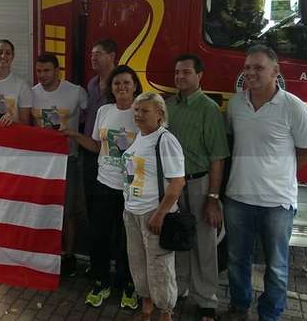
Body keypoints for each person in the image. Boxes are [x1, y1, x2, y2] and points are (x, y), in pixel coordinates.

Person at [224, 45, 307, 321]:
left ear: (276, 71)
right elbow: (230, 139)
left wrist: (279, 173)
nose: (251, 72)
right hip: (238, 198)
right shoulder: (236, 104)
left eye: (258, 67)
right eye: (247, 67)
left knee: (276, 267)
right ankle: (239, 307)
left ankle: (270, 315)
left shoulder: (294, 107)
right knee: (238, 261)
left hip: (278, 203)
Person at [65, 65, 141, 310]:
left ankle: (129, 285)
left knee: (128, 240)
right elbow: (99, 146)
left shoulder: (141, 112)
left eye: (126, 83)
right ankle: (101, 281)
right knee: (99, 237)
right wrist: (74, 135)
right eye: (117, 83)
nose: (121, 87)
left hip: (131, 189)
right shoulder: (104, 110)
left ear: (135, 86)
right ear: (111, 88)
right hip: (104, 184)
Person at [166, 55, 229, 321]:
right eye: (177, 72)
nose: (180, 76)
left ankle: (206, 299)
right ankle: (179, 288)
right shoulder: (167, 106)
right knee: (177, 237)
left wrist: (213, 198)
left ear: (199, 76)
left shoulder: (209, 109)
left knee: (204, 242)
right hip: (172, 184)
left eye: (187, 72)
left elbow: (217, 157)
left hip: (199, 183)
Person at [122, 92, 186, 321]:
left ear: (159, 114)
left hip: (153, 211)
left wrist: (160, 214)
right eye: (136, 110)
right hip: (132, 211)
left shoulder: (165, 139)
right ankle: (147, 307)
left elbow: (178, 181)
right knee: (138, 262)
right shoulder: (140, 136)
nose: (138, 115)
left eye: (144, 111)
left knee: (159, 265)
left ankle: (166, 312)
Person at [30, 53, 87, 276]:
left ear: (57, 71)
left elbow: (88, 116)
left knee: (67, 211)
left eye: (47, 70)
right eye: (39, 71)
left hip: (68, 159)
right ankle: (48, 252)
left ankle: (69, 255)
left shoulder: (75, 92)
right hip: (42, 162)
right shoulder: (32, 93)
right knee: (43, 208)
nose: (42, 75)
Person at [81, 39, 118, 257]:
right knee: (94, 207)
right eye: (92, 53)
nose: (93, 57)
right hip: (89, 152)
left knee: (114, 210)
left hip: (111, 156)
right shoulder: (92, 84)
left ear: (112, 56)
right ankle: (98, 259)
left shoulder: (121, 82)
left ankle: (116, 256)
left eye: (99, 53)